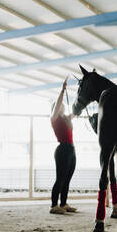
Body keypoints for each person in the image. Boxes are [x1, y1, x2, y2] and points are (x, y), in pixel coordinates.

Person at [49, 77, 77, 214]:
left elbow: (76, 111)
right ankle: (54, 205)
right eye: (60, 106)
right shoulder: (54, 118)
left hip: (71, 149)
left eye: (63, 106)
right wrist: (62, 90)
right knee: (60, 178)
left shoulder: (66, 118)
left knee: (67, 179)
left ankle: (64, 203)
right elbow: (59, 102)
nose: (62, 107)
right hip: (62, 150)